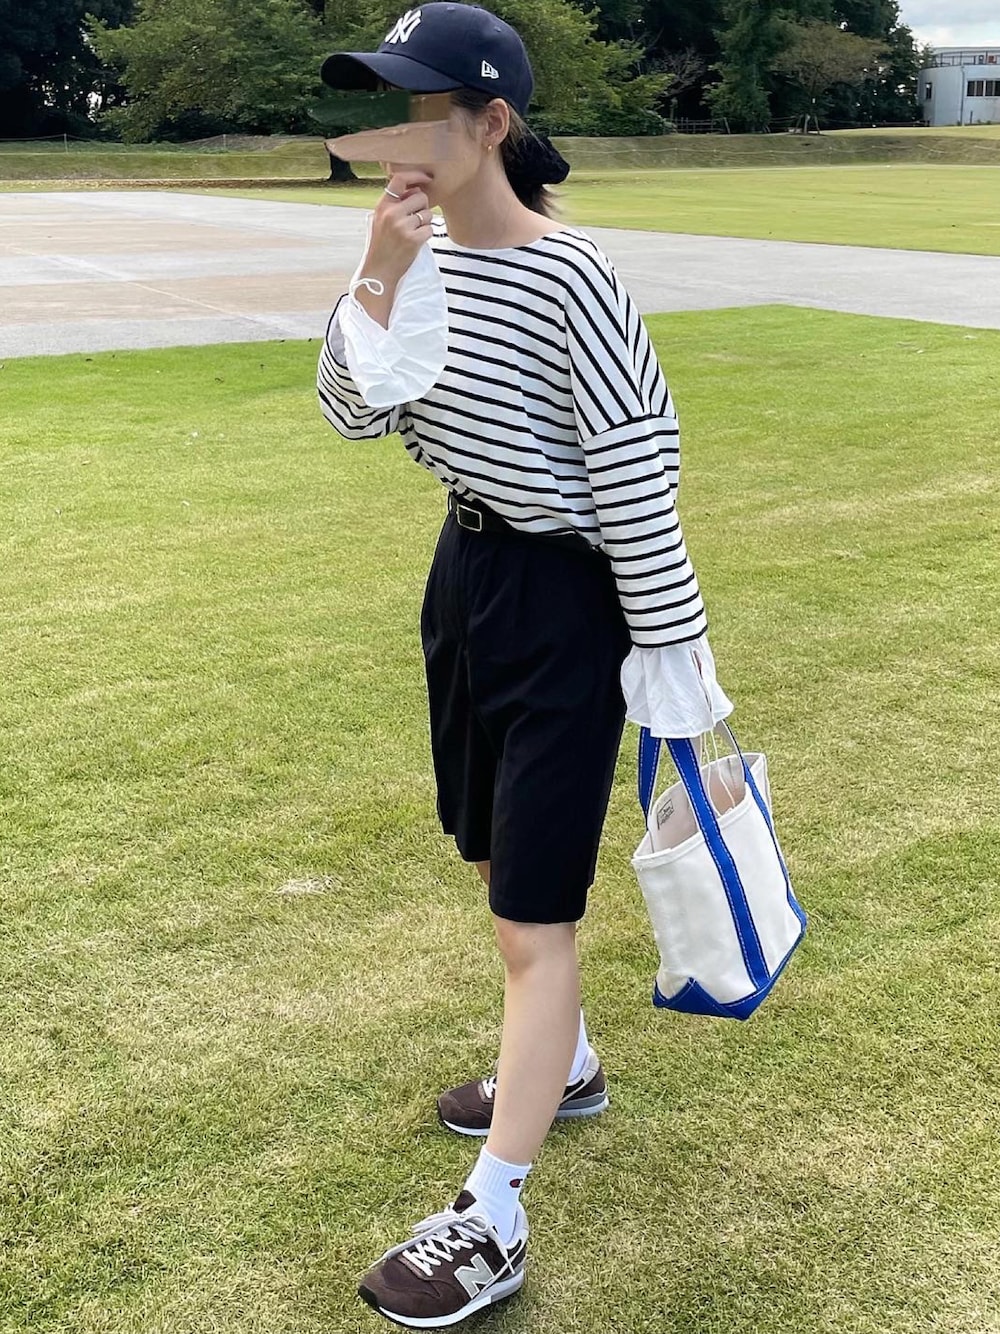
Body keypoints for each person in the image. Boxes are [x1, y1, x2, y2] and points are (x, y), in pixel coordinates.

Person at [317, 4, 732, 1327]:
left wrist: (675, 665)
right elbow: (350, 409)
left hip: (568, 599)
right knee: (493, 855)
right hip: (469, 576)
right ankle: (572, 1064)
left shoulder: (574, 276)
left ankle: (492, 1213)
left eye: (419, 109)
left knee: (530, 920)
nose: (395, 136)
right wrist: (378, 272)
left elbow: (637, 475)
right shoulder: (416, 256)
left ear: (491, 122)